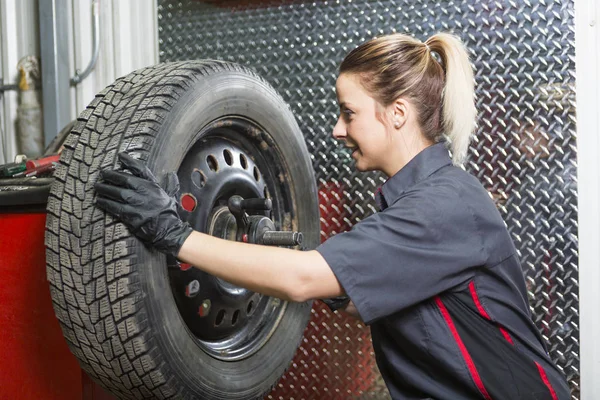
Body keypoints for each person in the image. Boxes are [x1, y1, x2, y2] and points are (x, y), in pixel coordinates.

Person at [94, 32, 571, 399]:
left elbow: (302, 280)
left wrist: (172, 234)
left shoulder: (442, 207)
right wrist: (269, 259)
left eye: (348, 112)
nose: (337, 129)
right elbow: (400, 304)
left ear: (397, 113)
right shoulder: (420, 201)